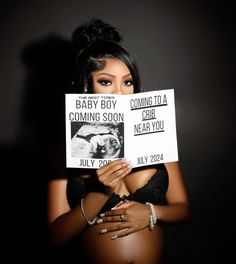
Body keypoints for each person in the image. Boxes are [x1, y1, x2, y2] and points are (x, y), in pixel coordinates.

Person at [47, 18, 190, 264]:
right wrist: (99, 193)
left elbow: (182, 208)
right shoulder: (65, 151)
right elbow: (55, 237)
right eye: (106, 81)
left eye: (127, 82)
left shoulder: (158, 137)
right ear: (85, 85)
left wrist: (152, 212)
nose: (119, 92)